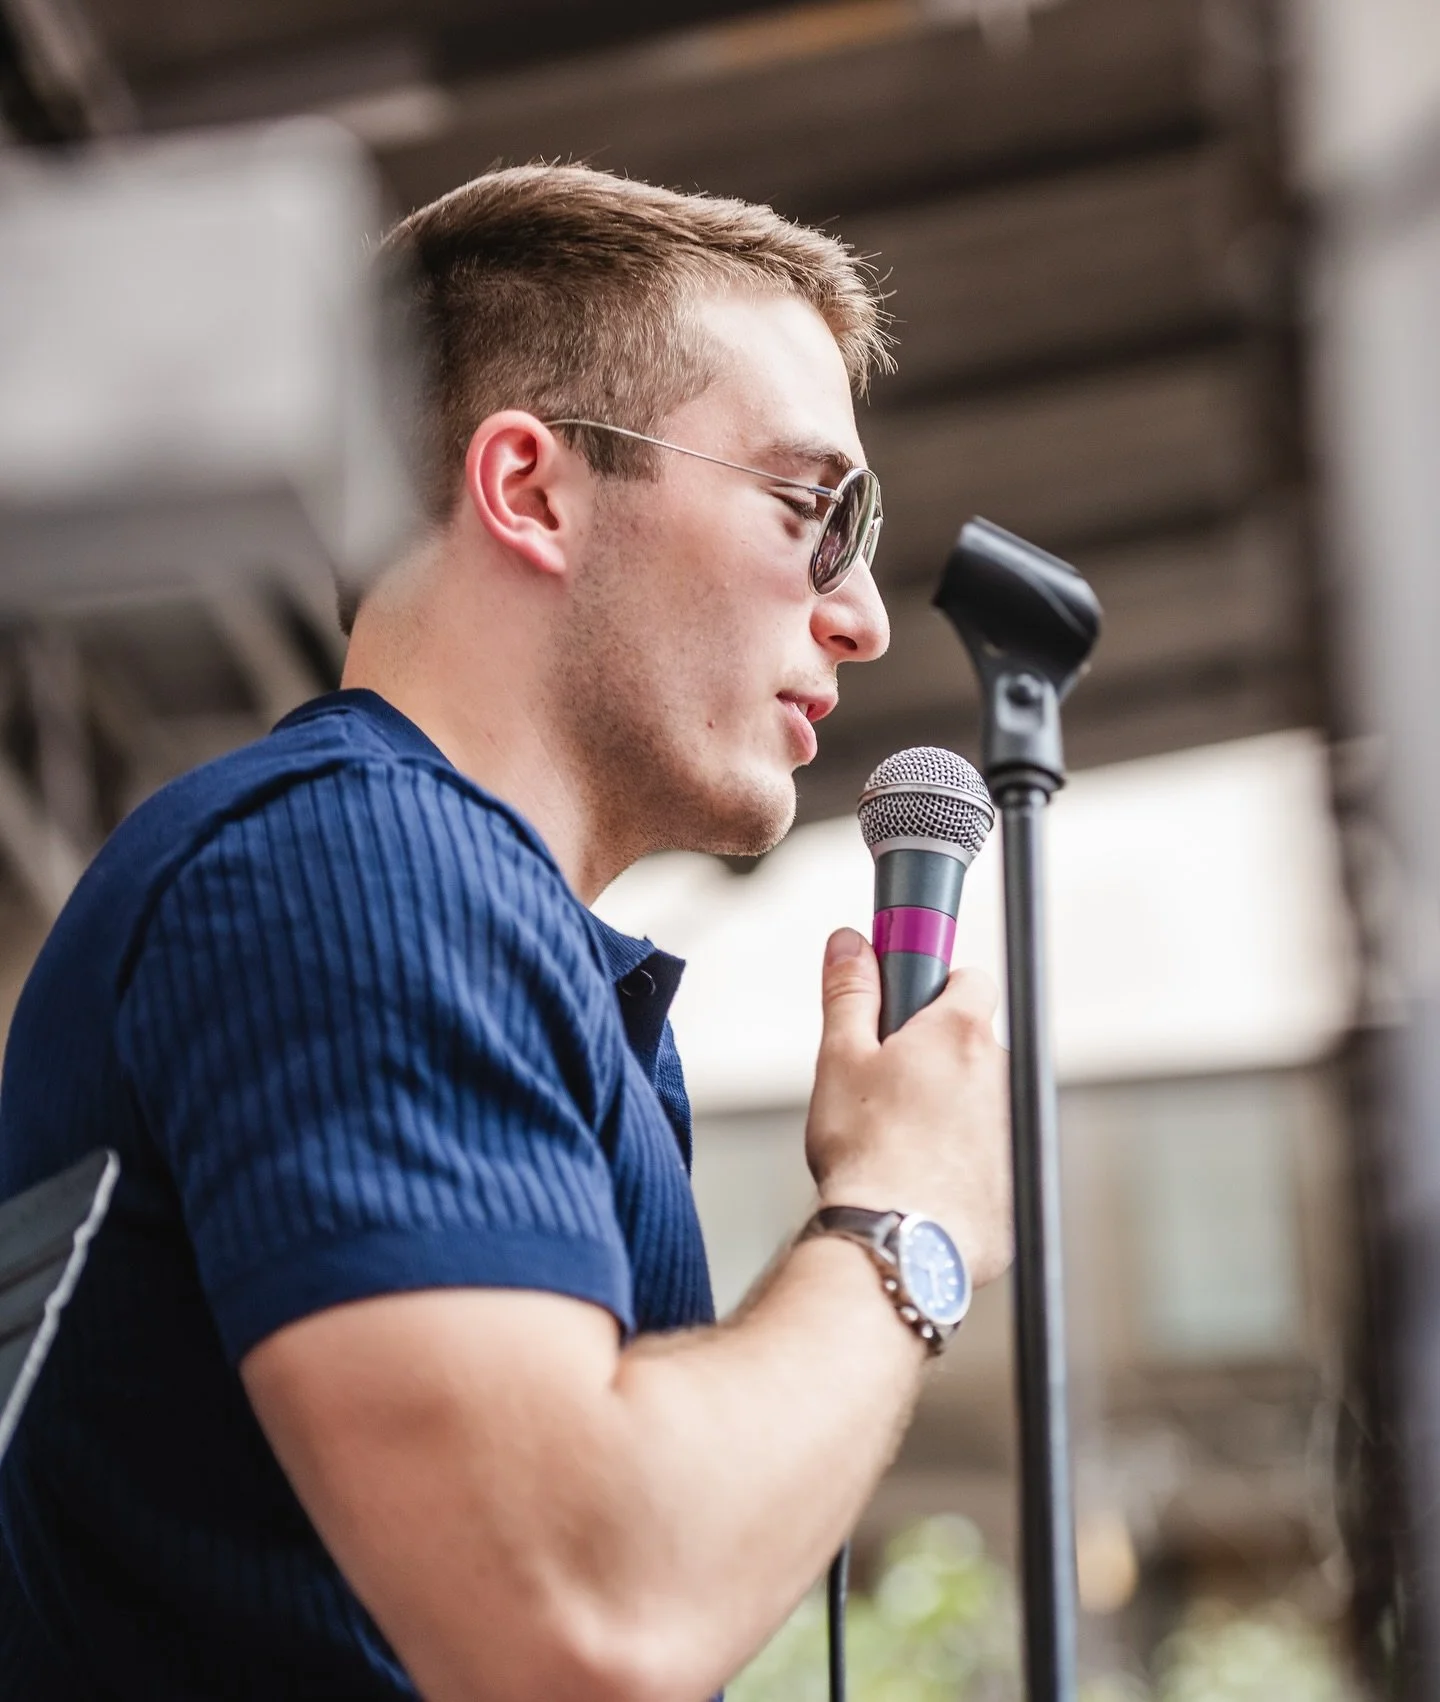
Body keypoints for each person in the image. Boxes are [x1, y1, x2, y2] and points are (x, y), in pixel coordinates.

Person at [0, 164, 1011, 1701]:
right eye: (813, 508)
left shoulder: (437, 910)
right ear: (531, 488)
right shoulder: (349, 864)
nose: (863, 610)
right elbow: (585, 1611)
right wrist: (901, 1216)